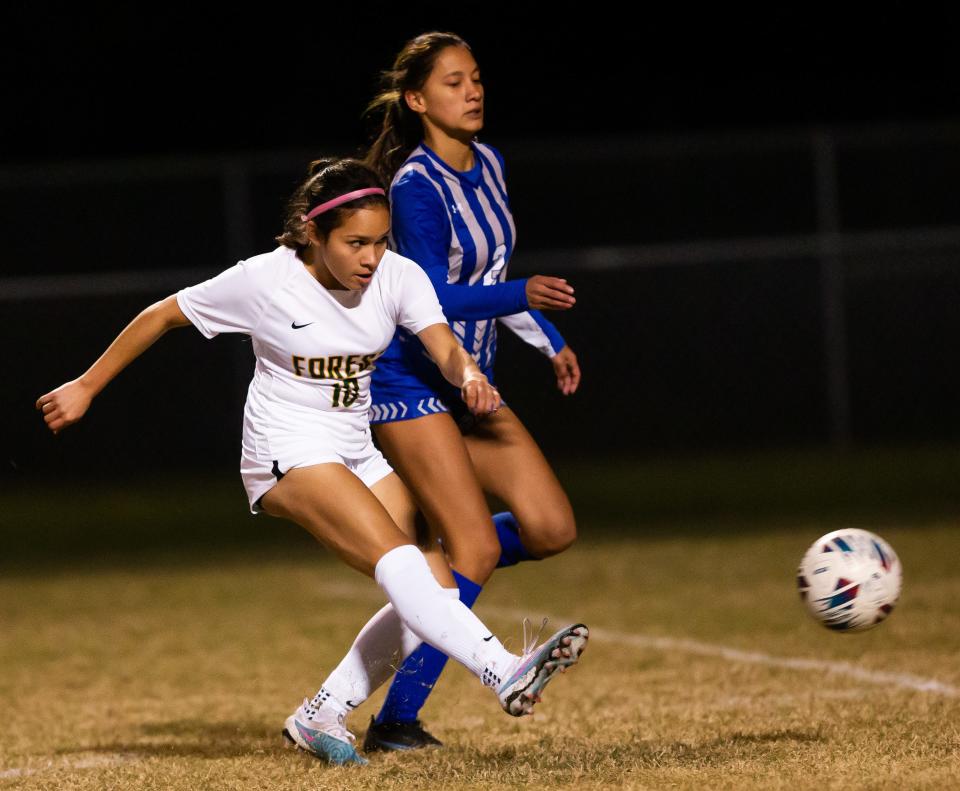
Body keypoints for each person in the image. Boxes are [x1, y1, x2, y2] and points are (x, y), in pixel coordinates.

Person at [35, 158, 588, 766]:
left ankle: (320, 713)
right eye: (355, 243)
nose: (370, 257)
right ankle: (504, 669)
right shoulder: (266, 281)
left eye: (379, 241)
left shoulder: (397, 276)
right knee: (399, 560)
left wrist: (470, 374)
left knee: (433, 584)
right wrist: (87, 386)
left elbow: (444, 346)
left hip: (355, 447)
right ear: (311, 232)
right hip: (286, 449)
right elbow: (165, 313)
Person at [358, 32, 583, 752]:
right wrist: (521, 290)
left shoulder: (490, 164)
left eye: (477, 78)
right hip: (415, 381)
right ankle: (396, 721)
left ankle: (437, 577)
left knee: (551, 526)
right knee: (479, 549)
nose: (473, 91)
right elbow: (429, 296)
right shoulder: (414, 186)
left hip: (474, 384)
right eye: (454, 83)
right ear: (418, 101)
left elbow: (489, 278)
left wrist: (547, 338)